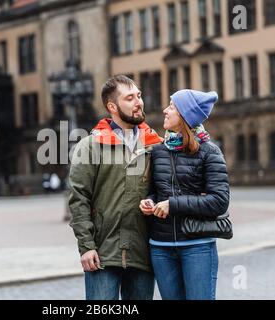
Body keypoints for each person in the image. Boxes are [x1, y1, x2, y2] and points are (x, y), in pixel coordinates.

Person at [69, 75, 163, 300]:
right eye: (130, 98)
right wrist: (86, 246)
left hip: (143, 253)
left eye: (139, 96)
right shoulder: (91, 145)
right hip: (102, 254)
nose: (139, 102)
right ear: (112, 106)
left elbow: (164, 189)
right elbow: (79, 197)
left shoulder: (155, 145)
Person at [139, 89, 230, 300]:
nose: (165, 110)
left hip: (197, 246)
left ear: (184, 115)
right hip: (161, 247)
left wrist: (173, 204)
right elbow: (156, 191)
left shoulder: (210, 151)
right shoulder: (159, 150)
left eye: (171, 106)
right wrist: (149, 202)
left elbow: (219, 201)